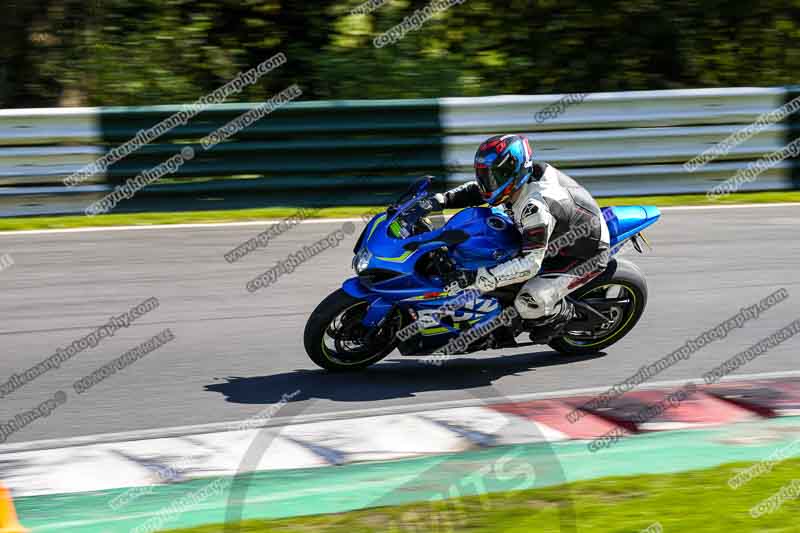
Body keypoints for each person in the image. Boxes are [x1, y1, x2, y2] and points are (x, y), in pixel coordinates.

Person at [431, 134, 610, 334]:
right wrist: (442, 200)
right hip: (558, 231)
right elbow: (479, 191)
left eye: (493, 176)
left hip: (583, 253)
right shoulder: (518, 182)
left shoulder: (534, 209)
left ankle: (562, 315)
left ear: (513, 172)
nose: (487, 183)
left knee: (529, 303)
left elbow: (530, 264)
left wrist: (476, 277)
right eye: (485, 175)